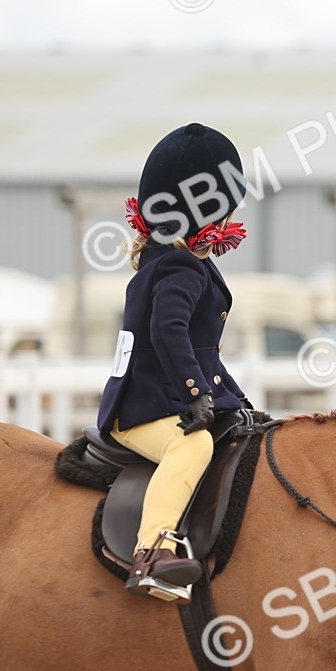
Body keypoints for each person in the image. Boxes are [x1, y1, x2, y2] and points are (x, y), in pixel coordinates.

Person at [96, 122, 252, 603]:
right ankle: (154, 550)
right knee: (192, 447)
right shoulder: (180, 266)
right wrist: (197, 394)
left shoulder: (170, 260)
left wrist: (236, 401)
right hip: (145, 405)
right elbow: (170, 333)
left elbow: (203, 354)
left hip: (158, 394)